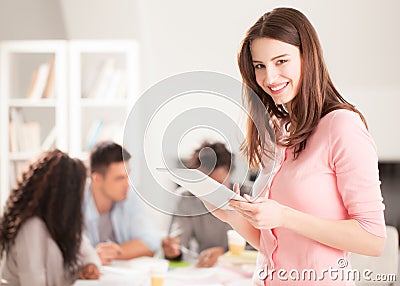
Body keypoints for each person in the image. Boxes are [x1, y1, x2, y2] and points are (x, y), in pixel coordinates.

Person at [207, 7, 386, 285]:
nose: (269, 78)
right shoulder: (278, 131)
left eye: (281, 61)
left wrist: (285, 216)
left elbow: (373, 239)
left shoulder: (342, 126)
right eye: (260, 66)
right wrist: (231, 214)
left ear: (307, 56)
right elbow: (274, 243)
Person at [0, 149, 100, 286]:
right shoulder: (31, 228)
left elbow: (88, 252)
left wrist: (90, 265)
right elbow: (33, 283)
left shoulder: (59, 225)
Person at [162, 141, 242, 267]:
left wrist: (225, 255)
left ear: (230, 174)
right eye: (206, 185)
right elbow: (179, 243)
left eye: (219, 184)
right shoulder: (185, 198)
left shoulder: (248, 196)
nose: (213, 193)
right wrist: (173, 251)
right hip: (201, 269)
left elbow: (261, 248)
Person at [83, 141, 161, 265]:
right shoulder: (76, 202)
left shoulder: (129, 195)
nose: (127, 185)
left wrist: (118, 251)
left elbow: (151, 242)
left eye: (128, 176)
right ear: (96, 178)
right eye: (119, 178)